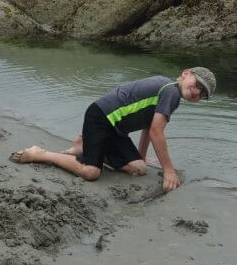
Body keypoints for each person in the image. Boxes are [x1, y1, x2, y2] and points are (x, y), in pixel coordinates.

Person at [11, 68, 216, 192]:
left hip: (114, 129)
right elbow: (156, 132)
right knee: (91, 173)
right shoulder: (170, 91)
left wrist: (141, 156)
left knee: (139, 169)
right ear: (186, 73)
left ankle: (84, 145)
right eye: (198, 84)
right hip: (100, 118)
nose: (197, 91)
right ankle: (41, 154)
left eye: (202, 94)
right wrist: (169, 171)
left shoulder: (169, 92)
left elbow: (148, 128)